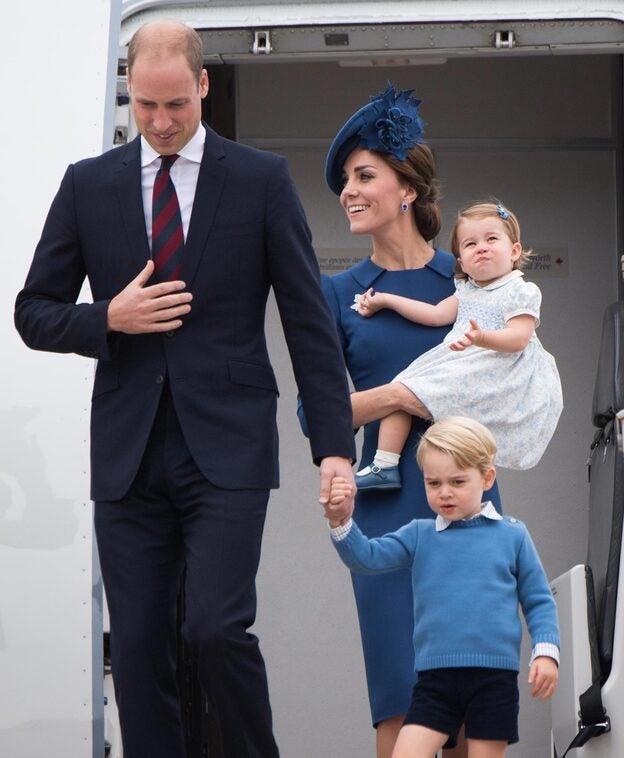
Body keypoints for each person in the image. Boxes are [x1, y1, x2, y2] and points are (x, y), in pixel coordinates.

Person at [14, 19, 356, 758]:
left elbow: (308, 322)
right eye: (145, 107)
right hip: (129, 452)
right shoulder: (89, 184)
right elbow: (32, 313)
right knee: (136, 647)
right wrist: (110, 315)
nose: (162, 124)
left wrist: (333, 447)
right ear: (128, 95)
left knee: (214, 627)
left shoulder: (260, 180)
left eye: (176, 105)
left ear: (203, 86)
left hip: (226, 448)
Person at [305, 83, 501, 758]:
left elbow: (507, 384)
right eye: (345, 182)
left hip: (471, 513)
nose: (349, 192)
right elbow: (317, 411)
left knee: (476, 718)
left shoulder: (470, 282)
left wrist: (421, 395)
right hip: (386, 512)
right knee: (401, 710)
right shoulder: (335, 294)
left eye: (365, 176)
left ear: (408, 188)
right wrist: (401, 396)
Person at [324, 416, 560, 758]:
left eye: (457, 481)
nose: (444, 492)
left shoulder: (513, 535)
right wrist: (340, 520)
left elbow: (538, 601)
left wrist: (546, 653)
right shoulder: (420, 535)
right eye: (433, 483)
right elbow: (367, 558)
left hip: (494, 680)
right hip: (435, 682)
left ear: (487, 477)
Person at [354, 200, 563, 491]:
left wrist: (482, 338)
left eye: (492, 239)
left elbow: (518, 339)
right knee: (406, 384)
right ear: (462, 262)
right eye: (470, 243)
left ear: (514, 251)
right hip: (461, 365)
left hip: (497, 371)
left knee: (418, 403)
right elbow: (434, 314)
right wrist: (387, 301)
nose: (482, 247)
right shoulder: (466, 291)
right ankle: (385, 464)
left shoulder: (520, 290)